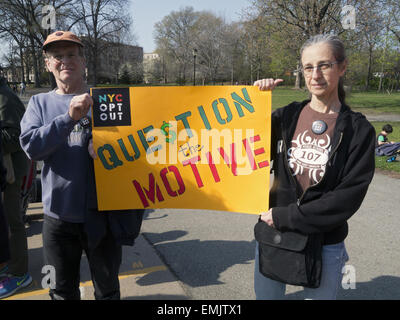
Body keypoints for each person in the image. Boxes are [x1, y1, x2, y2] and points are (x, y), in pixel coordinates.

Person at [19, 30, 144, 300]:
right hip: (57, 219)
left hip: (102, 216)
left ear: (84, 61)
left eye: (72, 54)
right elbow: (31, 148)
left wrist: (111, 147)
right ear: (47, 64)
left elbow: (138, 148)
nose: (66, 61)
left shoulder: (109, 100)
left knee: (108, 290)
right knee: (59, 290)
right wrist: (67, 119)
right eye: (58, 56)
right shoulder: (39, 103)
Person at [253, 34, 376, 300]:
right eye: (308, 67)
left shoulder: (358, 130)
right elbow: (242, 149)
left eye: (325, 65)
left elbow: (347, 197)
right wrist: (253, 101)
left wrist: (286, 216)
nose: (315, 75)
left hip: (324, 243)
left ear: (342, 67)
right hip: (274, 236)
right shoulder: (286, 117)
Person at [0, 75, 31, 299]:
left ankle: (20, 273)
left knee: (12, 222)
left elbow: (17, 135)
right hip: (3, 168)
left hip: (10, 171)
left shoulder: (5, 98)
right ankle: (9, 263)